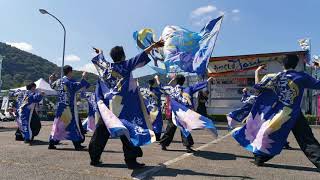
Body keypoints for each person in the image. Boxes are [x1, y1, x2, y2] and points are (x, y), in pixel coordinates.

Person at [233, 54, 320, 168]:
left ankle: (259, 158)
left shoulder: (274, 76)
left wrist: (256, 73)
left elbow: (258, 87)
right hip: (293, 113)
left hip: (278, 114)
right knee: (306, 139)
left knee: (271, 136)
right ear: (296, 64)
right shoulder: (301, 76)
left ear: (283, 64)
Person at [88, 40, 164, 169]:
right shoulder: (126, 65)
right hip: (123, 108)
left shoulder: (107, 67)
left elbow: (99, 60)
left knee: (101, 132)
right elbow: (141, 55)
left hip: (109, 107)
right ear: (123, 56)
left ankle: (94, 158)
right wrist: (153, 46)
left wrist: (100, 52)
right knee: (128, 132)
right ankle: (131, 161)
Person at [159, 75, 212, 153]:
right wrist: (207, 81)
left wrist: (158, 79)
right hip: (182, 113)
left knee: (170, 128)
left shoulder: (171, 89)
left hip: (173, 112)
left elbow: (161, 87)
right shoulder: (187, 89)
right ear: (183, 81)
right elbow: (197, 86)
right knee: (184, 129)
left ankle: (164, 143)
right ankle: (188, 146)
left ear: (176, 81)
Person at [48, 65, 90, 150]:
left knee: (57, 125)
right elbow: (79, 85)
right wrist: (84, 77)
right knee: (72, 125)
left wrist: (51, 79)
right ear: (70, 72)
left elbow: (52, 85)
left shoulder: (59, 81)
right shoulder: (68, 82)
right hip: (68, 108)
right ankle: (77, 145)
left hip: (60, 107)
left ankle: (51, 143)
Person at [140, 75, 164, 141]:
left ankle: (150, 135)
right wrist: (157, 80)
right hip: (156, 109)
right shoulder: (157, 90)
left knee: (149, 122)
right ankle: (157, 136)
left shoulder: (144, 90)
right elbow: (163, 89)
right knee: (157, 122)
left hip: (148, 108)